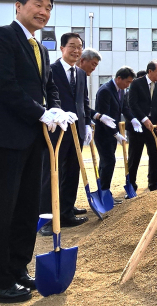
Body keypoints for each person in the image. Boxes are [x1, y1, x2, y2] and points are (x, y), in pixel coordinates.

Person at [0, 0, 73, 303]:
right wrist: (41, 112)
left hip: (36, 138)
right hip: (7, 137)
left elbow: (49, 87)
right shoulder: (1, 38)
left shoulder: (41, 48)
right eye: (38, 4)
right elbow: (4, 87)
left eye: (48, 7)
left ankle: (18, 269)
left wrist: (56, 109)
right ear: (19, 6)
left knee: (27, 208)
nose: (44, 12)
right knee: (4, 208)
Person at [39, 32, 91, 237]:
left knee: (72, 172)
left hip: (76, 129)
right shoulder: (50, 70)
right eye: (72, 46)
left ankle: (67, 211)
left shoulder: (81, 74)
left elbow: (83, 101)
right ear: (62, 48)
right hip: (55, 130)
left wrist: (86, 124)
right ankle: (46, 218)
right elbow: (43, 97)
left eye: (79, 47)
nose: (76, 51)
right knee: (51, 174)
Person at [93, 67, 135, 195]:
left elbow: (124, 108)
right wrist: (115, 133)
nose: (128, 85)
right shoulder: (105, 91)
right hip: (103, 134)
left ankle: (104, 189)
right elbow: (104, 117)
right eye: (127, 82)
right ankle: (104, 191)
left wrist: (133, 119)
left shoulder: (121, 91)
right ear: (118, 78)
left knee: (107, 162)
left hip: (112, 134)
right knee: (108, 161)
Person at [127, 60, 157, 191]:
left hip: (154, 127)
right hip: (138, 127)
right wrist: (144, 119)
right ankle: (131, 184)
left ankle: (153, 184)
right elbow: (132, 104)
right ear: (150, 71)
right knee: (134, 157)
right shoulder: (136, 84)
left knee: (155, 156)